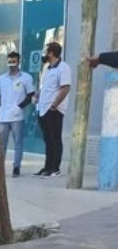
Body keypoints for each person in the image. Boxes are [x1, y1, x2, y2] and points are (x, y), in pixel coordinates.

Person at [35, 42, 71, 178]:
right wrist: (37, 97)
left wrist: (54, 106)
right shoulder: (47, 69)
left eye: (46, 51)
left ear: (51, 53)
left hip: (54, 110)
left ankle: (55, 168)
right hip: (43, 109)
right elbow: (45, 88)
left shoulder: (63, 67)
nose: (44, 54)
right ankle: (47, 167)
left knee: (55, 139)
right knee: (48, 140)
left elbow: (65, 88)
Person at [0, 51, 35, 177]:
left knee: (18, 143)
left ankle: (16, 167)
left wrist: (19, 107)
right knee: (1, 144)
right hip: (3, 116)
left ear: (19, 62)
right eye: (10, 61)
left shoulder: (26, 78)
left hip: (17, 116)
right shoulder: (1, 79)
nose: (12, 64)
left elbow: (30, 95)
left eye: (14, 61)